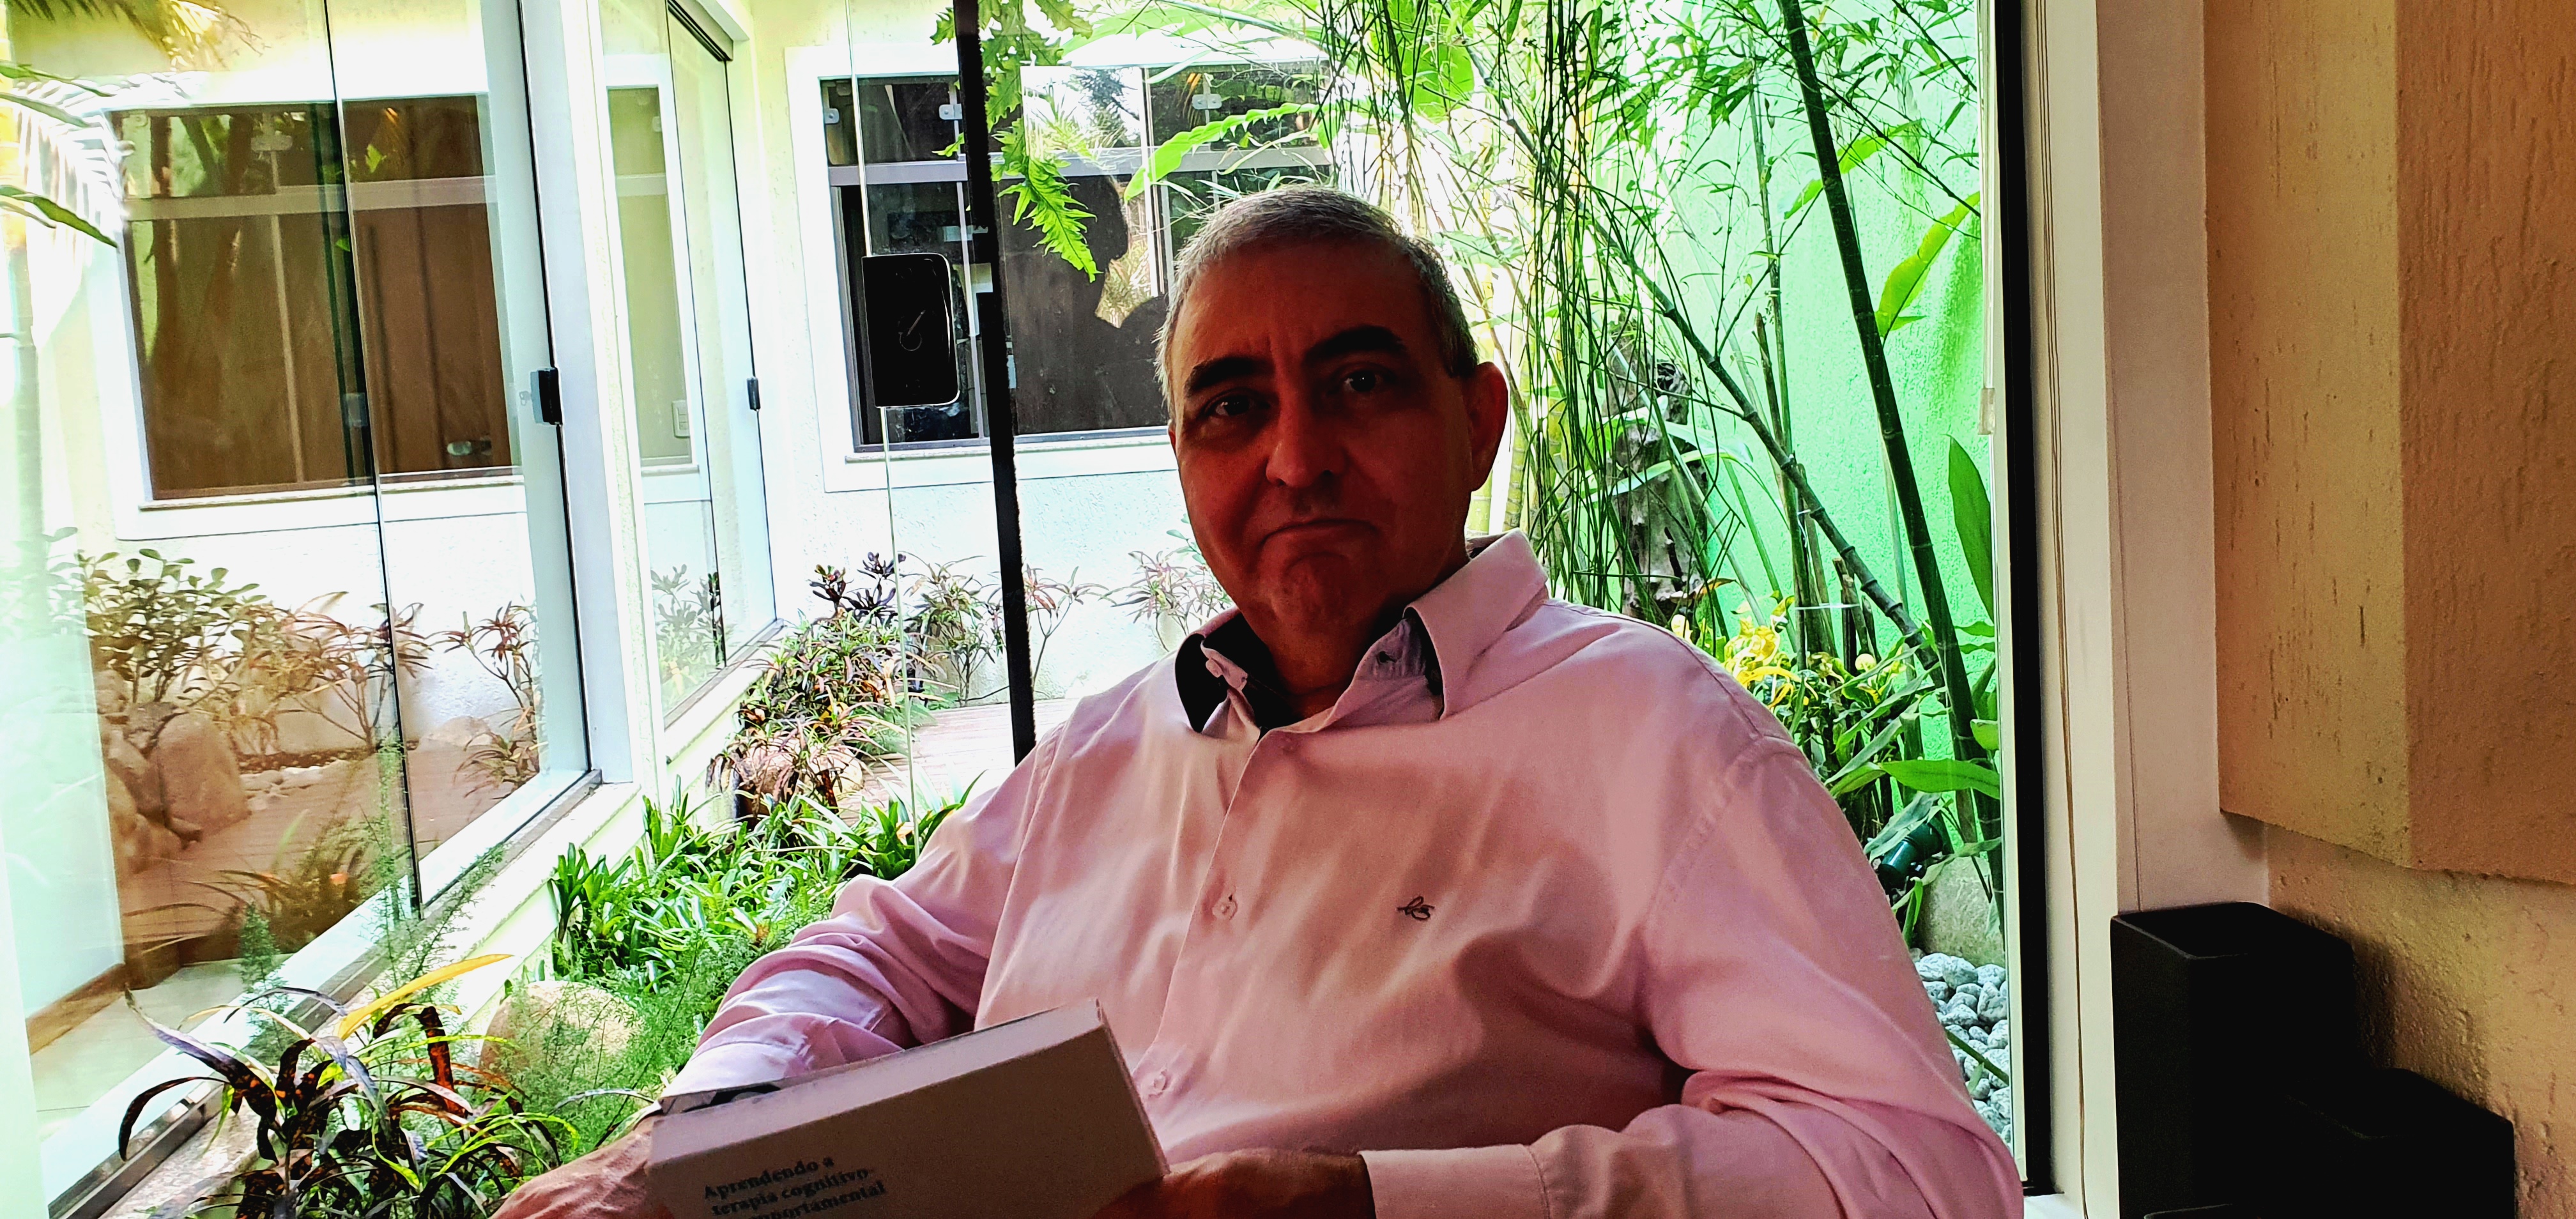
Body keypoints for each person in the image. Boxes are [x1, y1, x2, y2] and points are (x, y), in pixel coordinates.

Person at [496, 187, 2021, 1219]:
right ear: (1185, 463)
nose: (1294, 459)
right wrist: (690, 1142)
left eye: (1359, 385)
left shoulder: (1659, 742)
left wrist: (1374, 1203)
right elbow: (875, 949)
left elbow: (1911, 1169)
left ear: (1476, 421)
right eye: (1233, 407)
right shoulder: (1113, 744)